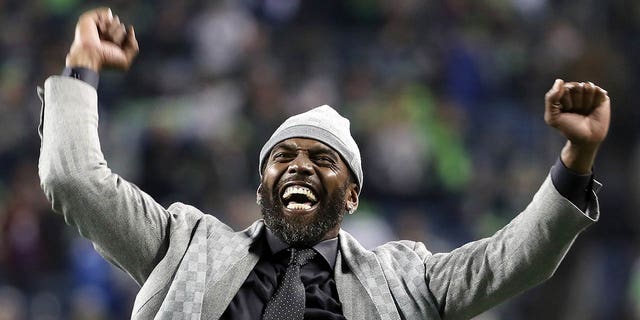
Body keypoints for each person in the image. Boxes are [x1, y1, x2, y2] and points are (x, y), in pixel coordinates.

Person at [38, 8, 610, 320]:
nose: (299, 166)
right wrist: (82, 65)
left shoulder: (409, 279)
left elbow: (516, 260)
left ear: (354, 194)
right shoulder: (184, 244)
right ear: (261, 184)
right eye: (282, 156)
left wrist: (577, 157)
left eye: (322, 159)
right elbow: (73, 179)